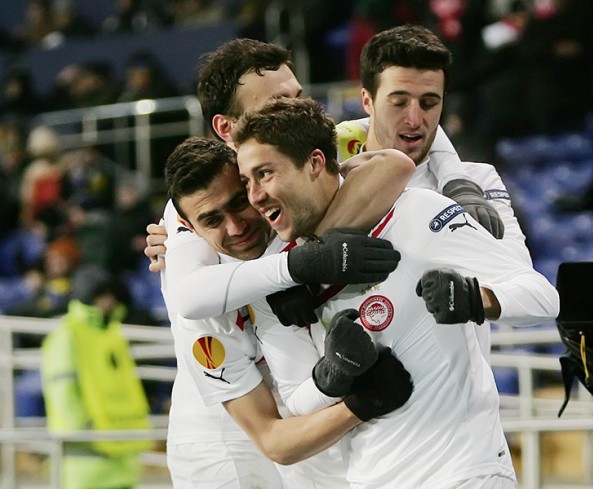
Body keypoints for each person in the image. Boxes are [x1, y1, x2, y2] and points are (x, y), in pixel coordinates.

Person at [233, 96, 560, 488]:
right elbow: (297, 403)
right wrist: (333, 374)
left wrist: (477, 299)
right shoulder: (281, 280)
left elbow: (544, 298)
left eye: (265, 174)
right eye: (247, 182)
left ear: (316, 163)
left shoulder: (417, 212)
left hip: (464, 471)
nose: (254, 196)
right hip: (371, 479)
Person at [152, 37, 417, 488]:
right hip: (228, 435)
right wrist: (295, 268)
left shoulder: (300, 151)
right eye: (277, 102)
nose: (296, 108)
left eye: (297, 95)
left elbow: (397, 157)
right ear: (226, 128)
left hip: (310, 415)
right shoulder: (197, 202)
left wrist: (306, 252)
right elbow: (190, 297)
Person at [334, 24, 559, 359]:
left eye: (429, 103)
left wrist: (475, 297)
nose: (414, 119)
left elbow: (536, 297)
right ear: (367, 100)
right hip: (346, 386)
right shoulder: (328, 178)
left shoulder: (478, 182)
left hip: (454, 390)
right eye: (399, 102)